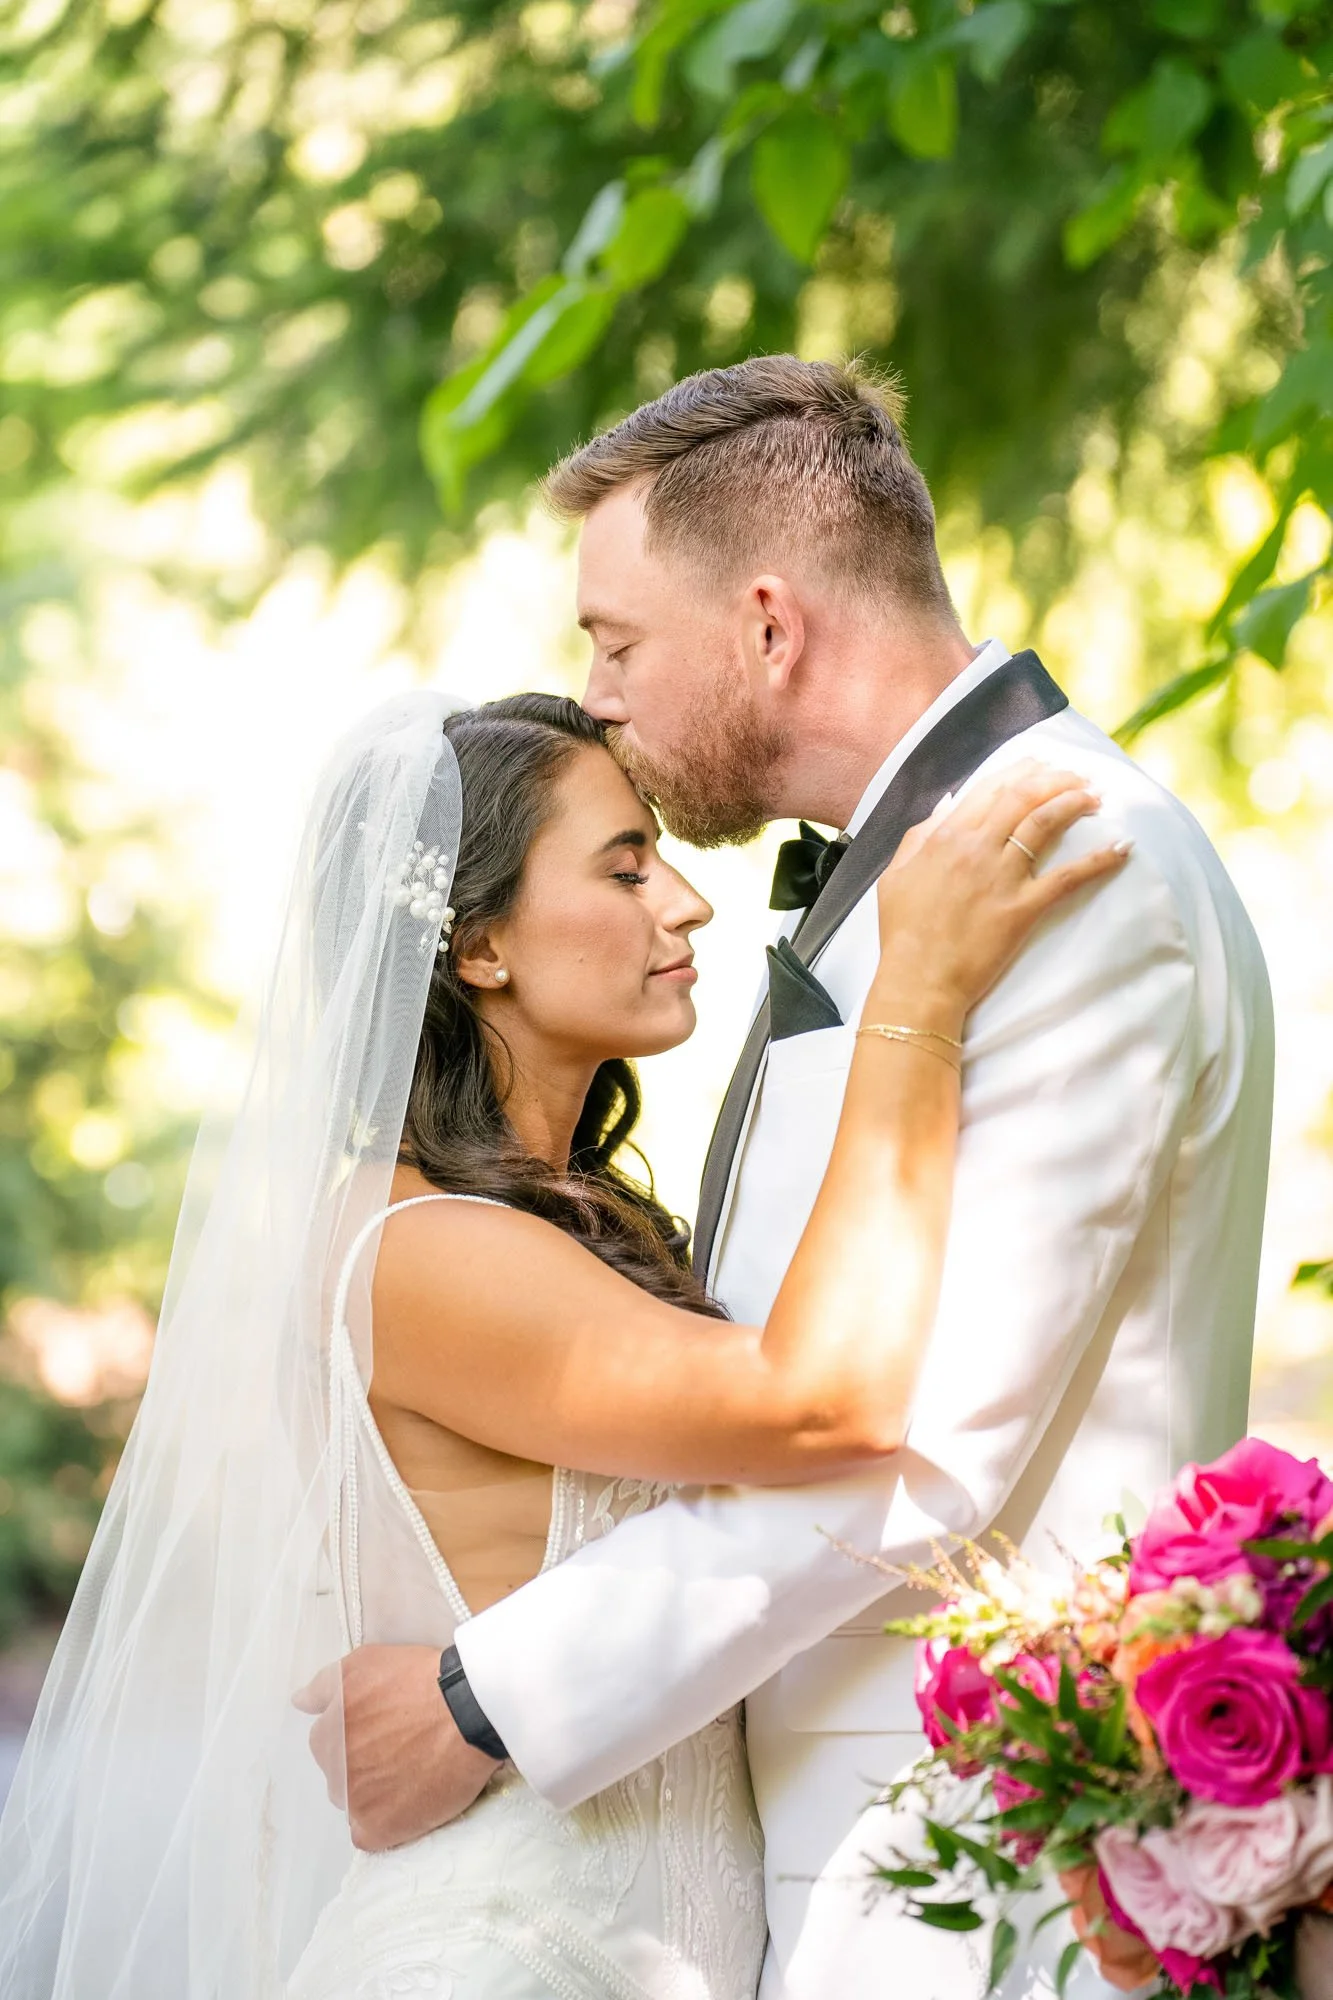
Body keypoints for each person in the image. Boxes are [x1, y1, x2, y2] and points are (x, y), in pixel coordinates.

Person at [323, 358, 1275, 2000]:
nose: (599, 692)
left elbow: (921, 1444)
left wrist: (494, 1696)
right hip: (817, 1879)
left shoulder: (1067, 867)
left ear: (768, 625)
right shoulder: (940, 871)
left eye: (616, 642)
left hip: (977, 1885)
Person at [0, 683, 1119, 1998]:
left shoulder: (556, 1227)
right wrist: (917, 997)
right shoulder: (410, 1246)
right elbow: (818, 1403)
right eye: (626, 867)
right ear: (479, 948)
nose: (686, 904)